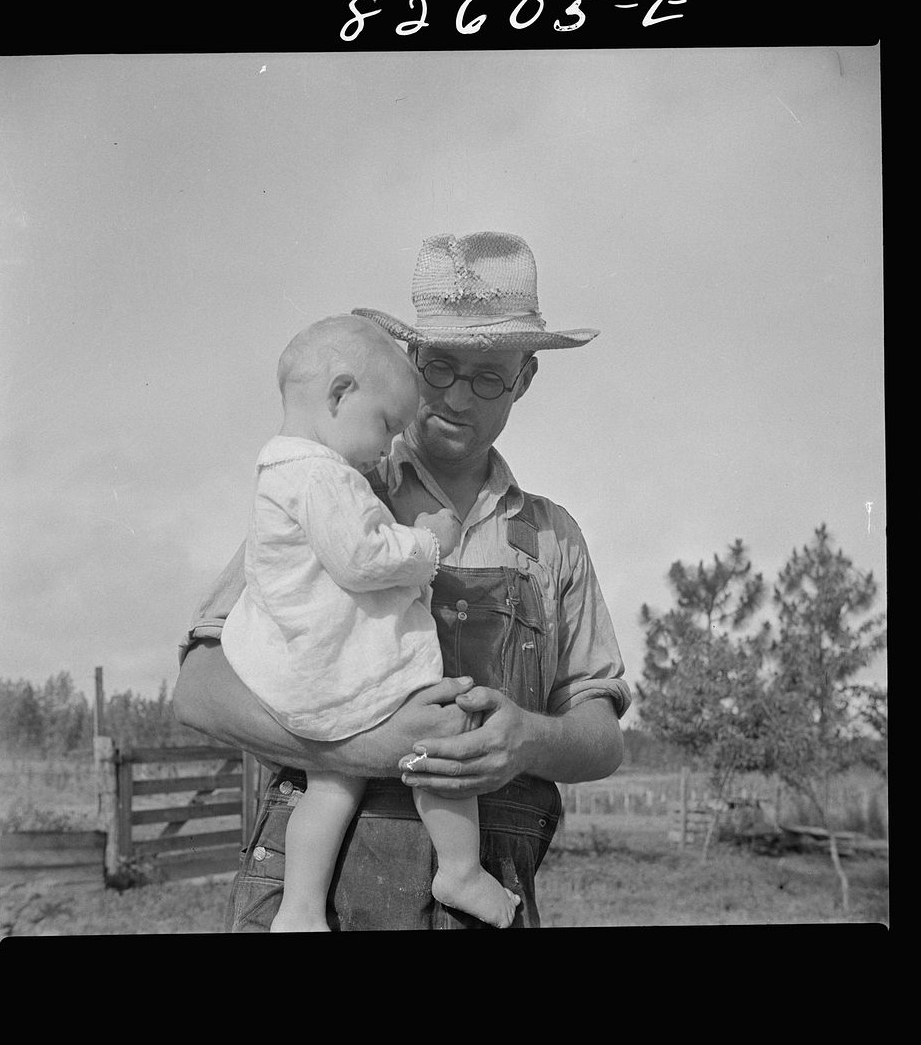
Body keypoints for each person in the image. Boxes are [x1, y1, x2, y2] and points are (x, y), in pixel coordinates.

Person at [174, 230, 631, 930]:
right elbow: (199, 689)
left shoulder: (551, 538)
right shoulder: (333, 489)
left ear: (526, 377)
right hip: (317, 904)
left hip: (475, 905)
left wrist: (524, 742)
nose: (454, 397)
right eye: (440, 366)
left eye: (487, 377)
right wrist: (362, 746)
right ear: (411, 356)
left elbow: (602, 739)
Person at [221, 314, 520, 930]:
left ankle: (300, 909)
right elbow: (361, 557)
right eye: (385, 426)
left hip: (314, 682)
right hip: (353, 680)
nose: (388, 446)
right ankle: (460, 868)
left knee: (329, 789)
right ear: (338, 395)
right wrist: (427, 544)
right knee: (449, 738)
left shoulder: (281, 475)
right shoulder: (323, 476)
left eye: (488, 377)